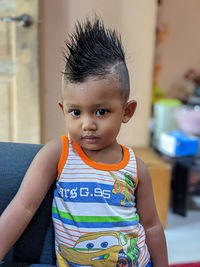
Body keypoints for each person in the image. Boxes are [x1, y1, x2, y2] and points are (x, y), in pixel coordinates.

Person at [0, 18, 168, 267]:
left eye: (101, 112)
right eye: (76, 112)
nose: (87, 124)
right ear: (63, 109)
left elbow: (152, 226)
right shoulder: (59, 153)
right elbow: (23, 206)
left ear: (127, 111)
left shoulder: (136, 167)